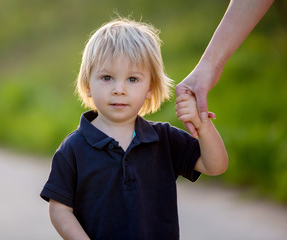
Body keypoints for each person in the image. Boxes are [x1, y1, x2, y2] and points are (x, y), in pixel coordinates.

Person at [40, 18, 228, 240]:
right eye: (107, 77)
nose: (119, 89)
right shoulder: (73, 148)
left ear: (150, 88)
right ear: (88, 84)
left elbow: (216, 165)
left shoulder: (164, 139)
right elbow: (59, 208)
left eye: (132, 79)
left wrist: (202, 125)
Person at [176, 0, 274, 137]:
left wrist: (204, 127)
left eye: (134, 79)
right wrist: (210, 65)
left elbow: (217, 160)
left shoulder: (163, 137)